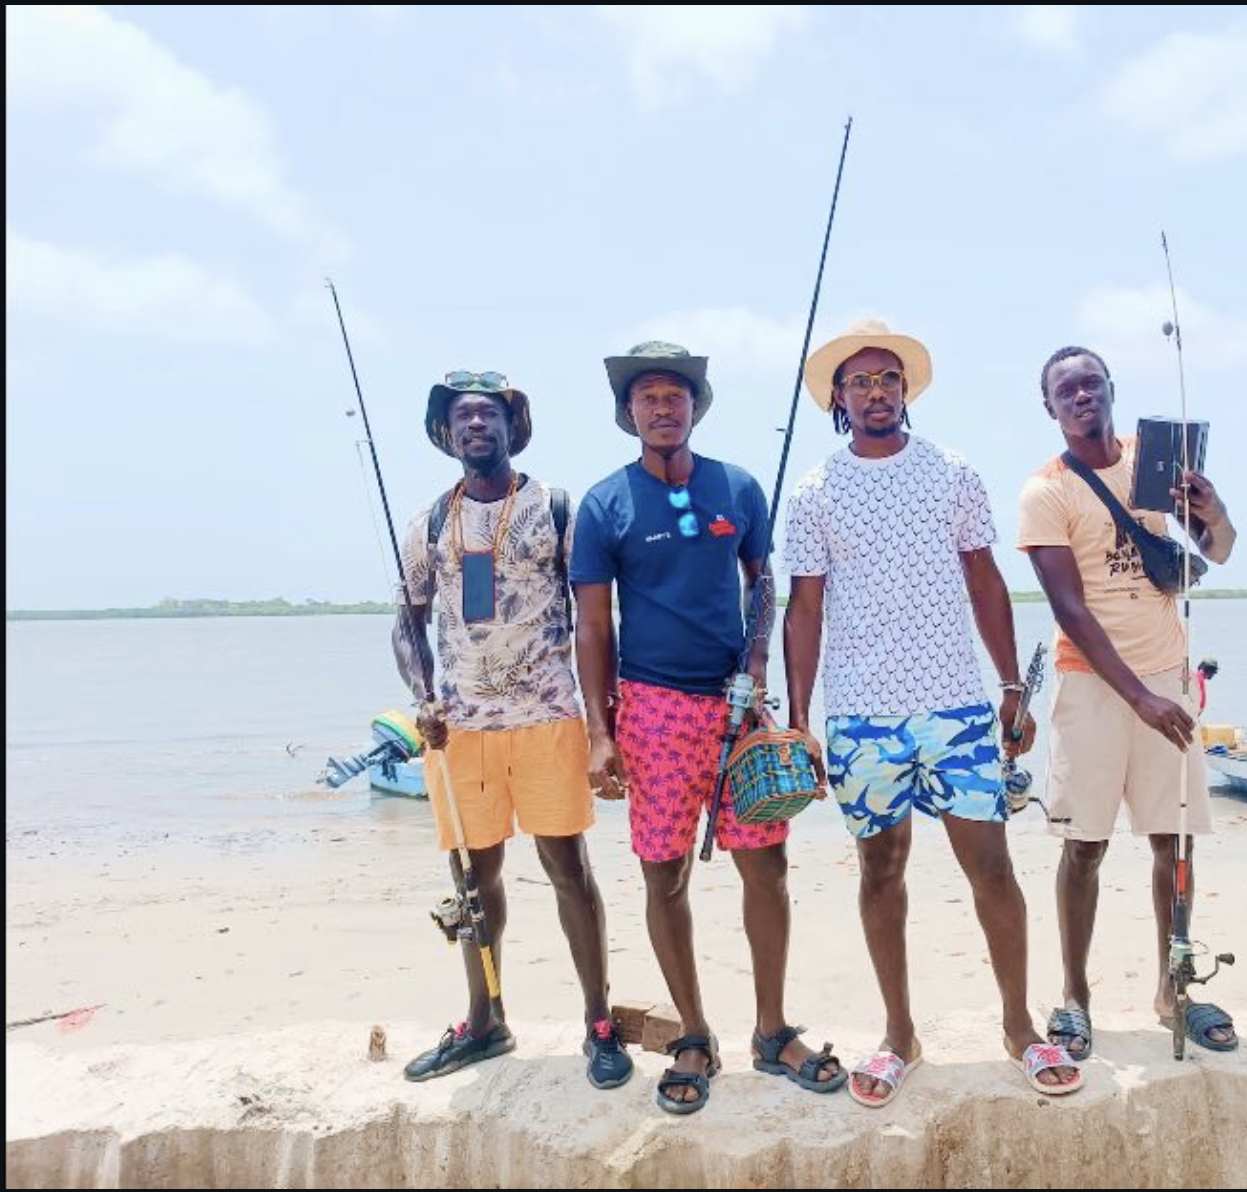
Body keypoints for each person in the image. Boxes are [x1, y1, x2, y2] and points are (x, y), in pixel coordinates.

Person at [783, 319, 1082, 1107]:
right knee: (881, 870)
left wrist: (1011, 686)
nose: (876, 392)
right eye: (859, 382)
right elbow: (803, 609)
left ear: (905, 390)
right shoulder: (814, 492)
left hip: (955, 708)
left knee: (992, 868)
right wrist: (799, 719)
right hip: (862, 717)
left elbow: (984, 578)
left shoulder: (953, 473)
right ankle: (899, 1034)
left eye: (888, 379)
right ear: (839, 400)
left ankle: (1019, 1026)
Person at [571, 342, 846, 1115]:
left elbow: (764, 587)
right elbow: (592, 625)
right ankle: (693, 1033)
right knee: (664, 874)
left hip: (739, 704)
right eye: (648, 397)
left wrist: (757, 664)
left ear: (696, 407)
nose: (663, 408)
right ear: (628, 412)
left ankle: (772, 1030)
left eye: (676, 395)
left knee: (768, 866)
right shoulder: (604, 504)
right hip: (653, 709)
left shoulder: (739, 487)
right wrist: (600, 732)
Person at [393, 369, 631, 1089]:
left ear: (511, 426)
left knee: (569, 871)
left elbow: (594, 618)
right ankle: (485, 1021)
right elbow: (406, 624)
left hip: (548, 719)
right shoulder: (430, 523)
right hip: (460, 731)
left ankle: (598, 1023)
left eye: (488, 414)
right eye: (463, 416)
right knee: (473, 879)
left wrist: (604, 722)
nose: (475, 425)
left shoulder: (556, 507)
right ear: (445, 434)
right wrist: (423, 696)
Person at [1018, 346, 1239, 1060]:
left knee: (1174, 841)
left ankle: (1175, 990)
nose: (1082, 396)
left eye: (1092, 384)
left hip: (1167, 675)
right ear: (1049, 407)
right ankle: (1075, 996)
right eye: (1067, 391)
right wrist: (1138, 697)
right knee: (1084, 845)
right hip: (1092, 684)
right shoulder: (1046, 491)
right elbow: (1070, 608)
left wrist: (1211, 509)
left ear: (1111, 389)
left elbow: (1219, 550)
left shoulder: (1155, 458)